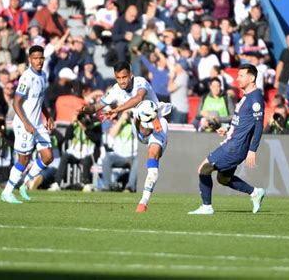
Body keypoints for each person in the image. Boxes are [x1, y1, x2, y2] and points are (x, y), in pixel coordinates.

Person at [79, 61, 172, 213]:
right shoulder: (115, 90)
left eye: (125, 77)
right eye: (119, 78)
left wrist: (117, 109)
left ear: (131, 75)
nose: (122, 81)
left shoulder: (141, 82)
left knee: (153, 159)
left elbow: (138, 98)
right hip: (139, 128)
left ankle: (143, 202)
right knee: (143, 110)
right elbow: (97, 106)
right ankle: (147, 120)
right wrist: (86, 109)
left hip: (160, 124)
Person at [188, 64, 266, 215]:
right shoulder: (247, 97)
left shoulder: (255, 99)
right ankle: (255, 192)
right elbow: (242, 120)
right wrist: (229, 129)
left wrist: (252, 150)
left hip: (234, 147)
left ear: (252, 78)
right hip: (233, 142)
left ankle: (207, 206)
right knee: (223, 179)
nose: (238, 79)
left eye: (242, 75)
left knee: (203, 169)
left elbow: (258, 126)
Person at [0, 45, 54, 204]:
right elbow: (16, 102)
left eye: (41, 58)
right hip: (24, 124)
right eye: (36, 58)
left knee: (48, 156)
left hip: (37, 124)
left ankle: (25, 184)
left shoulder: (43, 75)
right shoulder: (26, 77)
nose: (39, 61)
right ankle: (7, 192)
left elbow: (40, 99)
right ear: (30, 60)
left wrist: (48, 116)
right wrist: (25, 123)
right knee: (23, 160)